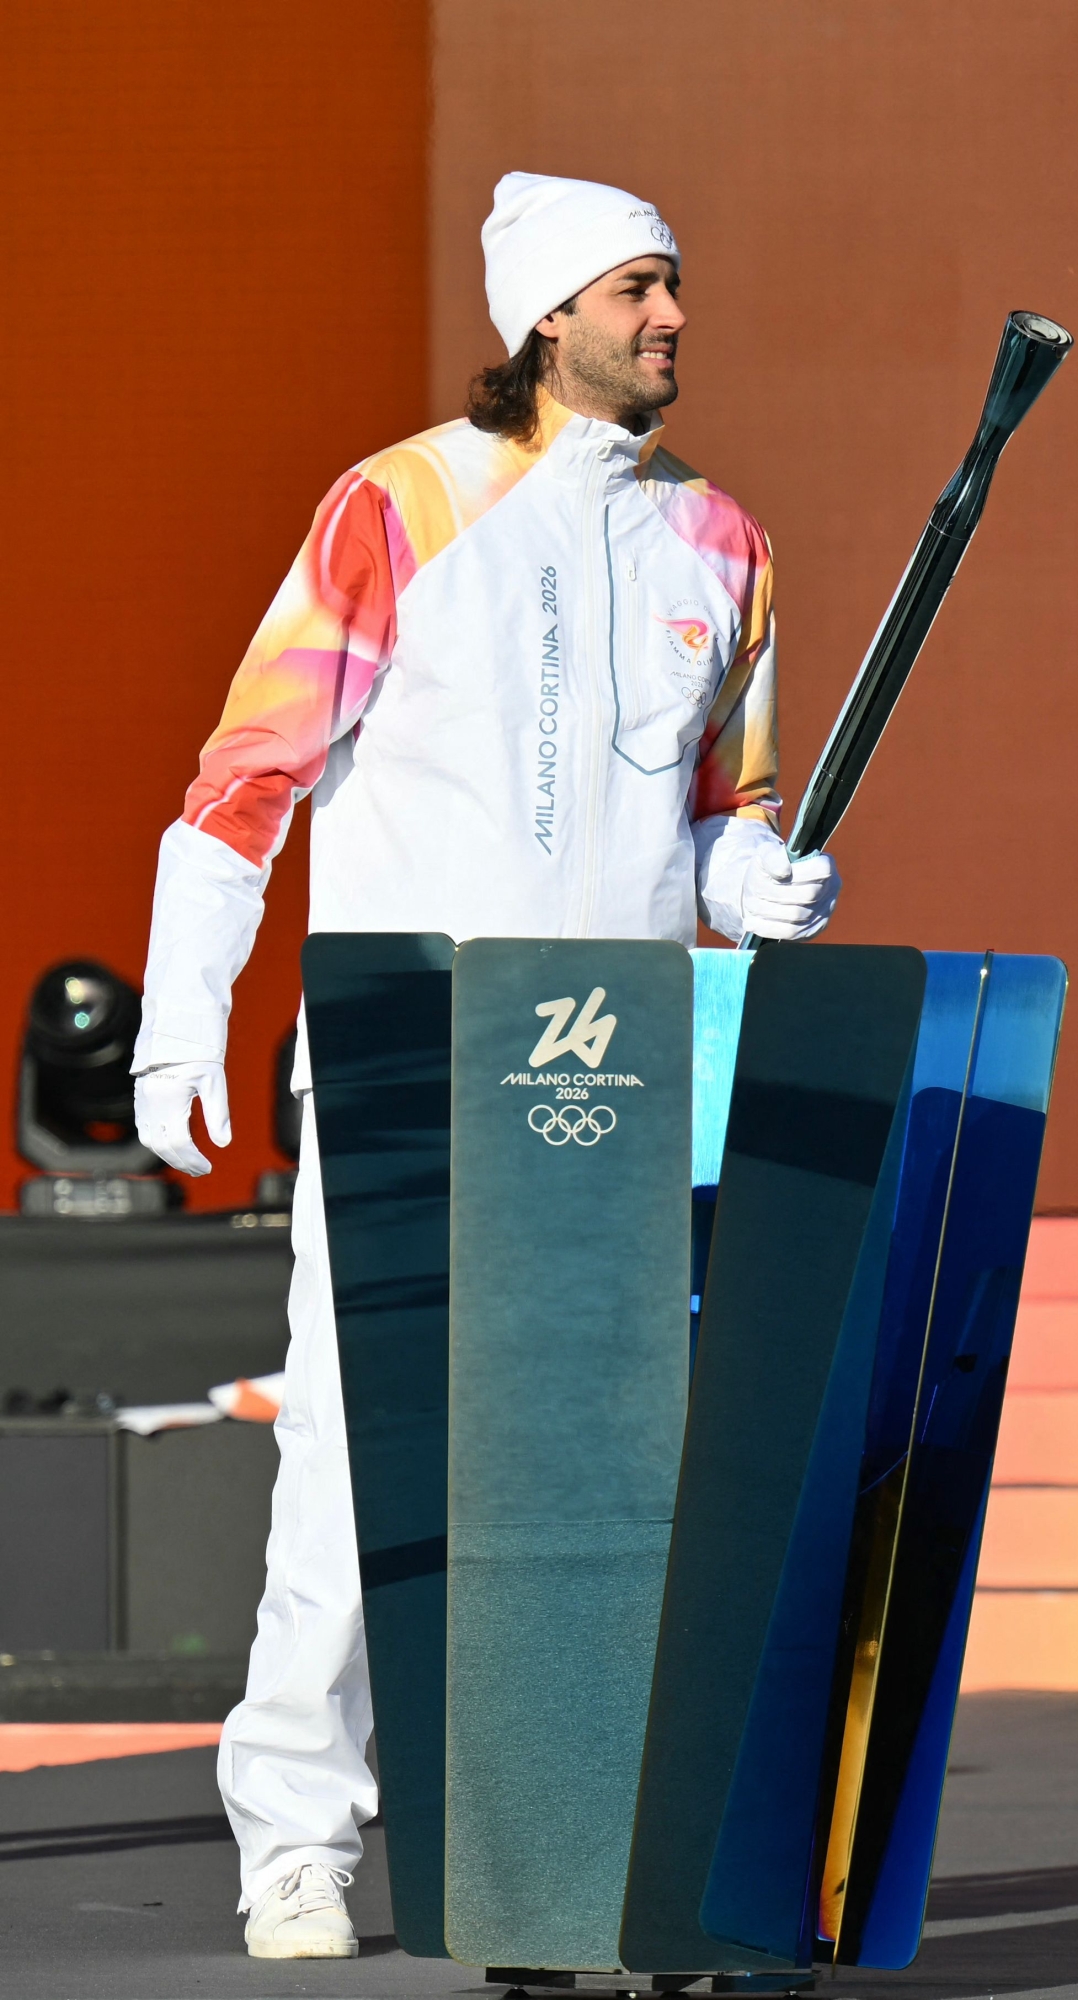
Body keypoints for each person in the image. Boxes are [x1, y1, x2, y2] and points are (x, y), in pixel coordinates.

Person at [130, 173, 842, 1960]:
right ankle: (296, 1831)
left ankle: (589, 1832)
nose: (672, 315)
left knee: (617, 1468)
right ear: (545, 312)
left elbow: (720, 815)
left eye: (677, 282)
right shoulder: (402, 505)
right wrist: (179, 1014)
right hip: (415, 1055)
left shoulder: (728, 544)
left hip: (619, 1076)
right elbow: (247, 777)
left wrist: (765, 878)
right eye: (636, 287)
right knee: (365, 1453)